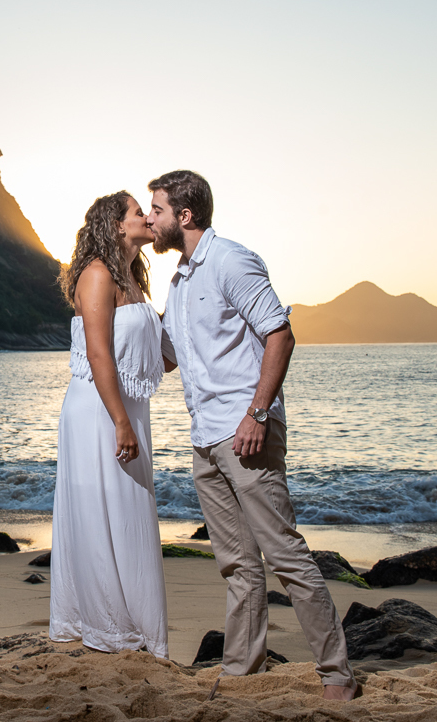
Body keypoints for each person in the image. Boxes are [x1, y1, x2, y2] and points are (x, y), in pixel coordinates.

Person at [146, 170, 357, 700]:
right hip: (205, 438)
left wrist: (257, 415)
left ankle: (337, 674)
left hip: (246, 432)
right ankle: (243, 670)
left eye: (157, 209)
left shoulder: (230, 260)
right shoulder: (179, 282)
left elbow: (280, 334)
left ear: (184, 215)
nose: (150, 219)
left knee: (284, 554)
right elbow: (168, 358)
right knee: (237, 565)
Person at [48, 191, 169, 659]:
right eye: (139, 212)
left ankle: (131, 628)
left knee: (128, 512)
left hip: (126, 406)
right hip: (99, 411)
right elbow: (99, 354)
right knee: (105, 512)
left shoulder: (132, 279)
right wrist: (120, 421)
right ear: (118, 225)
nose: (147, 218)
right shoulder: (98, 274)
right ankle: (108, 627)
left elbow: (153, 357)